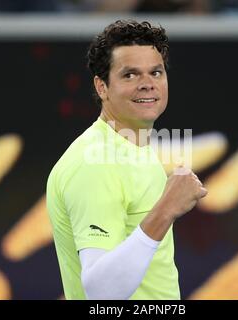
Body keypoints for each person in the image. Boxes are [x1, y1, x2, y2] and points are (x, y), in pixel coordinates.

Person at [46, 19, 207, 300]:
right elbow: (100, 292)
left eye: (155, 72)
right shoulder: (95, 163)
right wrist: (166, 208)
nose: (147, 84)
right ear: (101, 87)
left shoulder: (131, 146)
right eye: (130, 75)